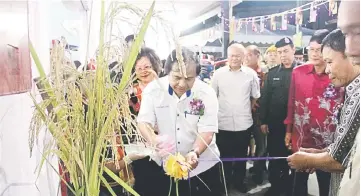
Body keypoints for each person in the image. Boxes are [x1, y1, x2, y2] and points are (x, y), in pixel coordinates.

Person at [137, 48, 222, 196]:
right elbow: (144, 122)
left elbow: (207, 129)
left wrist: (195, 152)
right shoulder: (153, 90)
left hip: (202, 166)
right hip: (165, 164)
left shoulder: (205, 93)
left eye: (189, 78)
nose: (182, 84)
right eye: (177, 77)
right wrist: (154, 139)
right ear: (166, 71)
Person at [287, 25, 360, 196]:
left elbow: (341, 160)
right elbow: (349, 149)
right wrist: (320, 154)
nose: (327, 70)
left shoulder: (358, 96)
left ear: (350, 55)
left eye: (330, 62)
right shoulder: (352, 90)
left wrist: (309, 160)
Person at [212, 43, 260, 193]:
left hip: (243, 124)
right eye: (232, 55)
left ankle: (239, 182)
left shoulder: (251, 74)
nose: (234, 59)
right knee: (224, 157)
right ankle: (224, 184)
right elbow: (213, 96)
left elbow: (255, 97)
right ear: (227, 56)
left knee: (241, 157)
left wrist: (246, 108)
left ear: (243, 57)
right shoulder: (218, 74)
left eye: (238, 56)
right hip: (223, 123)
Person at [260, 37, 298, 196]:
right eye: (280, 52)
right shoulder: (273, 73)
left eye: (286, 51)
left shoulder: (301, 71)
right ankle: (275, 187)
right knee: (275, 157)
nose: (283, 55)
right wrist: (263, 121)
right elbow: (265, 99)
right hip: (275, 125)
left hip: (296, 126)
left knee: (294, 159)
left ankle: (291, 189)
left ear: (294, 50)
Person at [245, 45, 267, 185]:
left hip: (259, 115)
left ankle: (259, 171)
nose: (246, 58)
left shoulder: (264, 72)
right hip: (244, 115)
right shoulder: (242, 71)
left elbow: (265, 94)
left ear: (257, 56)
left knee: (261, 145)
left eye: (249, 55)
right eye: (245, 55)